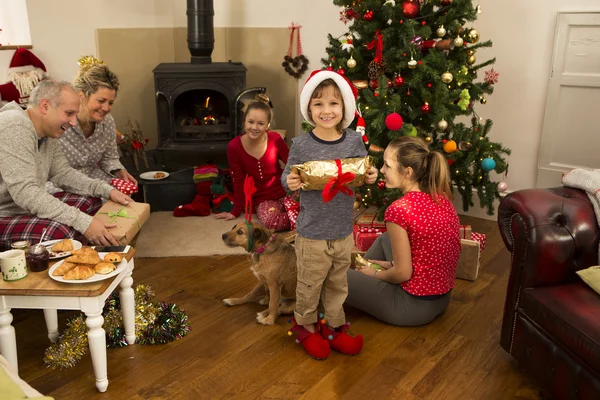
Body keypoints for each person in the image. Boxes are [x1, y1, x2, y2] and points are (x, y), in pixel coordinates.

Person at [282, 70, 378, 360]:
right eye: (319, 104)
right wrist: (291, 182)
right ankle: (307, 326)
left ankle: (335, 325)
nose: (326, 110)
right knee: (310, 283)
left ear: (344, 108)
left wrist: (370, 175)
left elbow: (361, 172)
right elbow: (287, 179)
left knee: (338, 283)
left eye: (333, 103)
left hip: (342, 231)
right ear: (309, 109)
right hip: (312, 232)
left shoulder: (353, 142)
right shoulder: (301, 145)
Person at [0, 79, 133, 250]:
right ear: (45, 106)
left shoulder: (48, 132)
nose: (73, 122)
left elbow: (63, 173)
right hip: (5, 213)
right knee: (61, 233)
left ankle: (93, 255)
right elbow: (25, 192)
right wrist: (83, 223)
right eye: (69, 113)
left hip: (21, 209)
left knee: (91, 201)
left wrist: (107, 190)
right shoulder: (14, 125)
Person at [346, 136, 461, 326]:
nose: (382, 170)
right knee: (385, 240)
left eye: (387, 165)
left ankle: (360, 280)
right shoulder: (441, 197)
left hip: (411, 307)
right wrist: (388, 265)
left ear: (407, 172)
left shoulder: (400, 209)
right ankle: (362, 276)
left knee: (332, 274)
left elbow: (402, 274)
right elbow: (427, 253)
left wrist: (375, 275)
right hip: (440, 301)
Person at [57, 57, 137, 186]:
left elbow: (110, 158)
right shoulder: (60, 122)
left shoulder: (108, 122)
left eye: (110, 103)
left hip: (94, 178)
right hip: (62, 183)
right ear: (81, 95)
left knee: (123, 193)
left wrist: (119, 170)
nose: (106, 108)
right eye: (101, 101)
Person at [214, 98, 291, 230]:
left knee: (314, 207)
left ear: (267, 125)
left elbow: (292, 164)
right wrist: (236, 210)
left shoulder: (275, 139)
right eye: (251, 122)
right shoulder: (234, 146)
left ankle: (296, 217)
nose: (254, 127)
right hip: (262, 200)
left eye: (260, 123)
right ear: (244, 122)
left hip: (285, 192)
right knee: (271, 222)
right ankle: (297, 220)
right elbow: (237, 180)